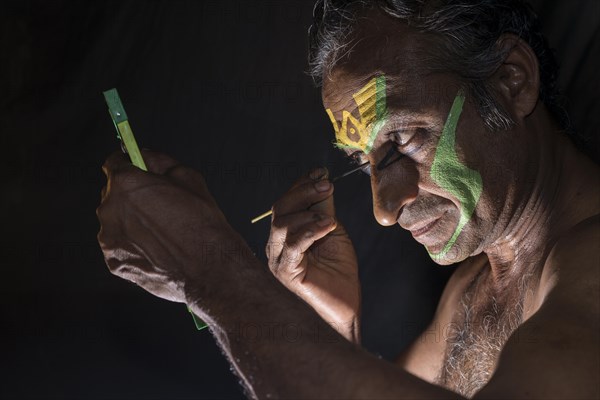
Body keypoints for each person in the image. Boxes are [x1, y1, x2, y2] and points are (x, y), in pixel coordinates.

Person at [96, 0, 599, 398]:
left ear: (513, 79)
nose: (383, 210)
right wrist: (335, 330)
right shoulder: (474, 291)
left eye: (401, 142)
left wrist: (210, 273)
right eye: (365, 163)